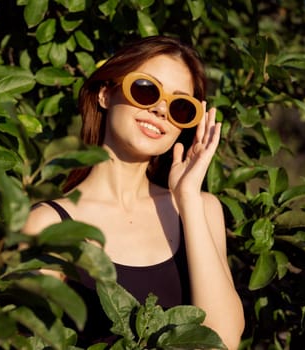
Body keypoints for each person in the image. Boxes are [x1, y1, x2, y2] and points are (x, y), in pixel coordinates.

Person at [23, 35, 244, 349]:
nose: (160, 109)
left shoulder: (202, 209)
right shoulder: (49, 225)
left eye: (181, 107)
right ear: (105, 94)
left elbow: (223, 340)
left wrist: (189, 199)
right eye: (146, 89)